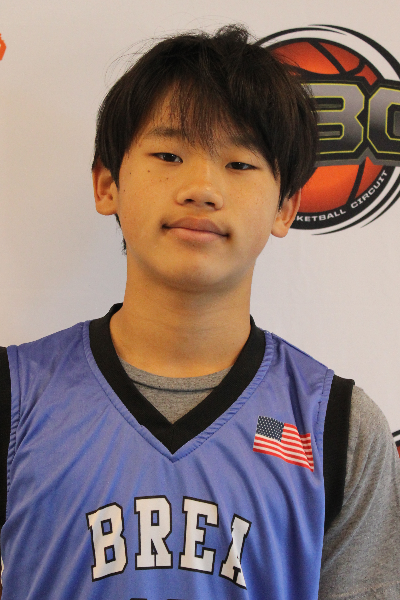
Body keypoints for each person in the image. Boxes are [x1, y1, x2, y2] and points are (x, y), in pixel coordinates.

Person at [0, 25, 399, 600]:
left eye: (239, 164)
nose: (202, 188)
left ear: (286, 207)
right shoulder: (18, 397)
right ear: (107, 184)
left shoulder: (335, 426)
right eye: (169, 154)